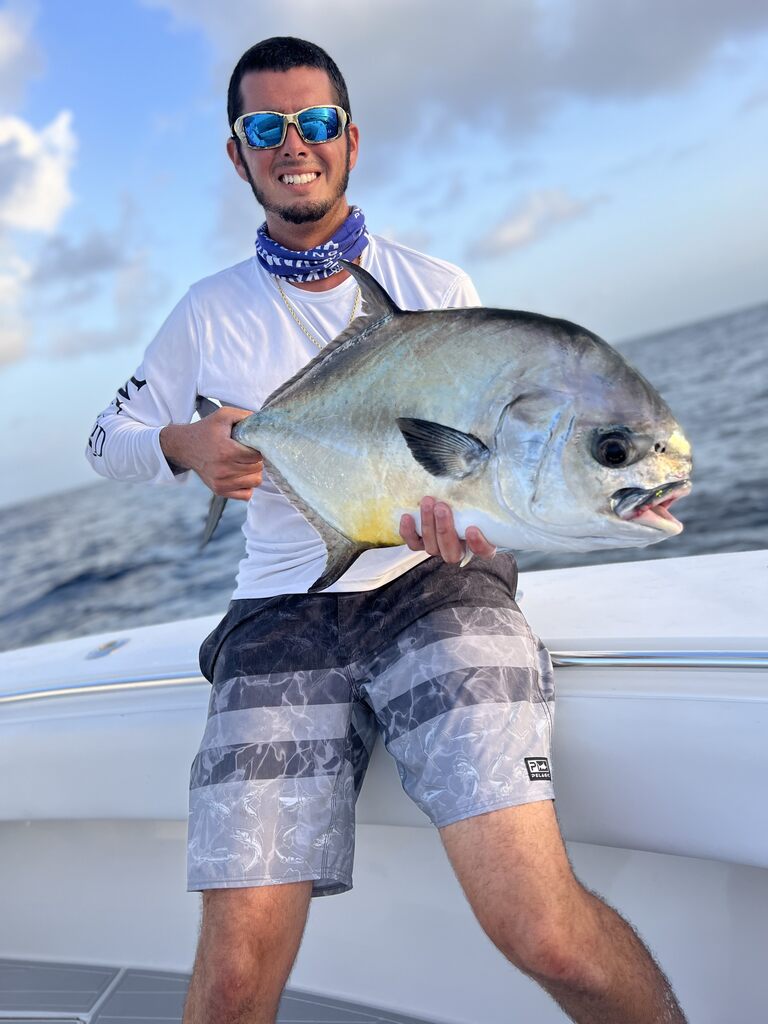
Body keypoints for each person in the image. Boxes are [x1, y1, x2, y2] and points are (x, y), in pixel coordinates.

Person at [85, 36, 686, 1024]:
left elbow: (499, 472)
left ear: (350, 139)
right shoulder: (205, 314)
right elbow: (108, 438)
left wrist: (476, 528)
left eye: (315, 122)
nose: (295, 144)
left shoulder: (436, 286)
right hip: (281, 612)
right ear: (238, 156)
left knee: (543, 932)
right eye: (266, 128)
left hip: (437, 589)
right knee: (234, 982)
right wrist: (186, 443)